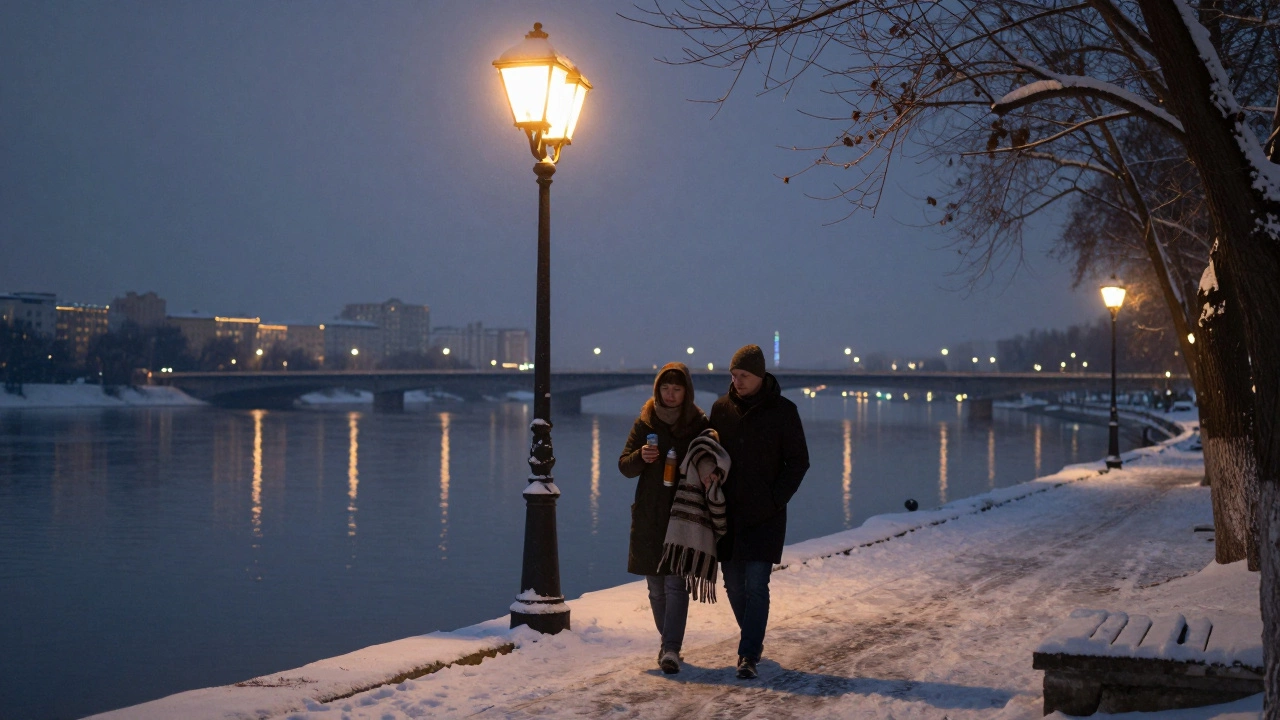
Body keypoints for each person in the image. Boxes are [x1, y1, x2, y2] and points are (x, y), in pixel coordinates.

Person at [709, 344, 809, 679]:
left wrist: (774, 499)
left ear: (760, 375)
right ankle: (752, 640)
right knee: (733, 586)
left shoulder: (783, 411)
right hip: (726, 514)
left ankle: (748, 653)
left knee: (756, 584)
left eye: (743, 376)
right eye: (733, 375)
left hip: (765, 515)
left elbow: (798, 462)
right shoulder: (720, 409)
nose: (737, 381)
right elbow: (709, 452)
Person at [618, 362, 709, 674]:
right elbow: (624, 467)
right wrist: (640, 457)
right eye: (665, 389)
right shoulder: (645, 422)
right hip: (649, 515)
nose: (670, 395)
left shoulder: (697, 424)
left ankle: (671, 647)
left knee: (675, 584)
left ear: (686, 392)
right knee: (655, 586)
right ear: (658, 390)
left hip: (683, 514)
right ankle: (667, 642)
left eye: (677, 389)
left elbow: (711, 462)